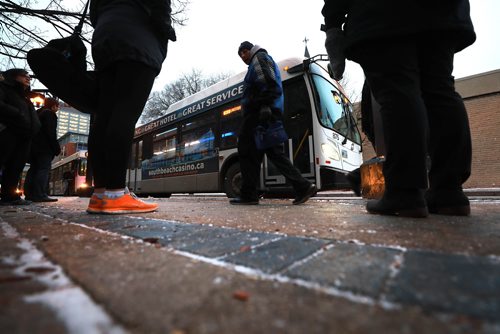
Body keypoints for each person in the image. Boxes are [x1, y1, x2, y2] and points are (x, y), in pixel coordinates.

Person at [322, 0, 475, 217]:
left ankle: (405, 192)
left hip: (382, 13)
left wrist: (333, 24)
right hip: (443, 12)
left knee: (398, 91)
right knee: (440, 90)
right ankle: (449, 192)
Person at [85, 0, 176, 214]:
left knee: (104, 116)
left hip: (105, 39)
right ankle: (116, 193)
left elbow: (94, 15)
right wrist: (165, 30)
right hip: (137, 39)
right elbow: (160, 7)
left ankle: (99, 195)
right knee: (125, 113)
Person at [230, 41, 317, 205]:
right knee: (271, 153)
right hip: (266, 112)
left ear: (250, 50)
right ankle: (302, 186)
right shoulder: (261, 59)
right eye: (240, 55)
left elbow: (268, 83)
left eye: (243, 52)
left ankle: (249, 194)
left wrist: (264, 105)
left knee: (247, 150)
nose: (242, 57)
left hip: (258, 113)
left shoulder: (259, 58)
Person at [0, 69, 41, 205]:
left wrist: (35, 126)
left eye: (29, 76)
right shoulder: (4, 88)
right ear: (13, 77)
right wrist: (17, 113)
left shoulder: (24, 96)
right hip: (8, 131)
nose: (28, 78)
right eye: (24, 75)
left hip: (25, 135)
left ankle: (10, 196)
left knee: (16, 166)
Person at [24, 98, 61, 202]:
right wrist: (56, 148)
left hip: (34, 148)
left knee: (33, 169)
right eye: (57, 106)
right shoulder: (50, 114)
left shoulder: (38, 113)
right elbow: (51, 133)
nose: (57, 109)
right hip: (44, 148)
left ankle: (30, 194)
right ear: (53, 106)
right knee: (43, 169)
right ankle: (40, 194)